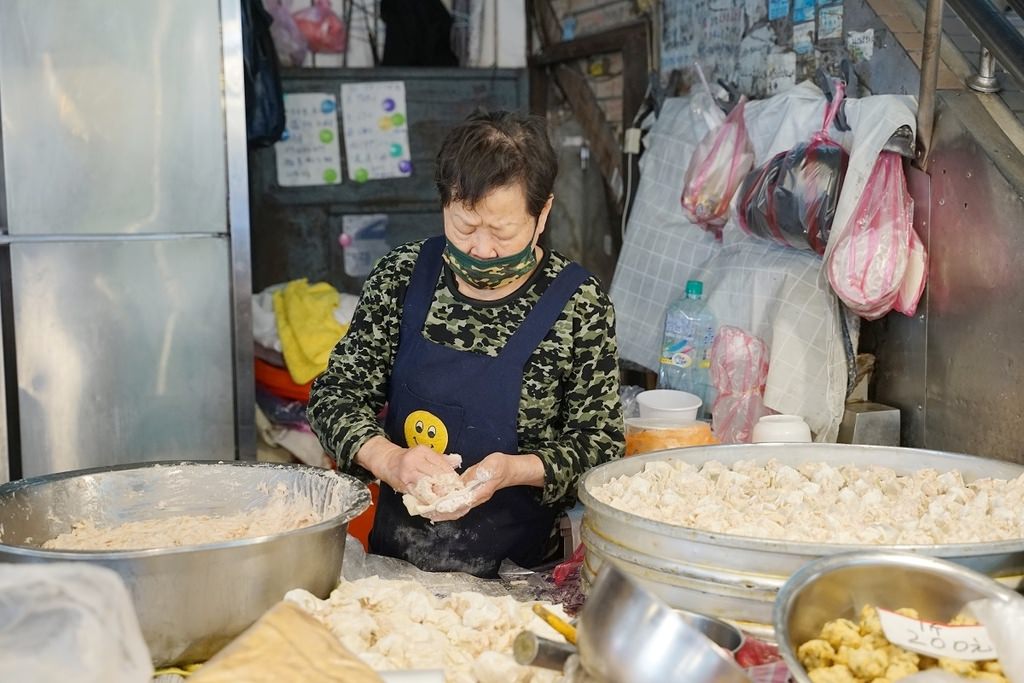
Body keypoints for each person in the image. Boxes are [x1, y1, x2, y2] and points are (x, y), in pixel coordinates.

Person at [308, 110, 623, 577]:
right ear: (444, 206)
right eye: (464, 226)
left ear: (543, 214)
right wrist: (392, 460)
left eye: (502, 231)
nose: (481, 248)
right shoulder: (403, 276)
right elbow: (335, 397)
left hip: (523, 577)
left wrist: (513, 471)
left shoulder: (578, 304)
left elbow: (600, 444)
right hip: (396, 572)